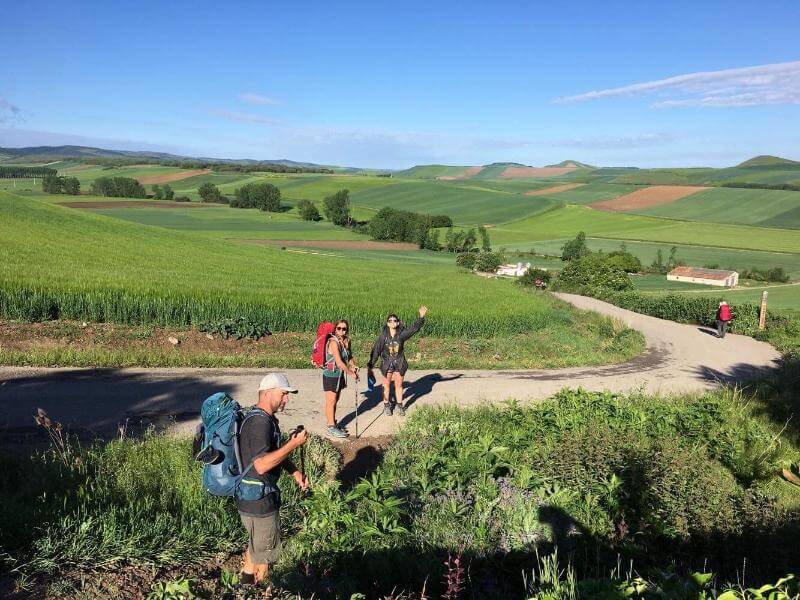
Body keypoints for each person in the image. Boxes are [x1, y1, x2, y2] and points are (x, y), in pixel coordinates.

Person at [237, 372, 308, 586]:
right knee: (265, 560)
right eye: (284, 394)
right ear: (268, 393)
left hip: (249, 496)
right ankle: (254, 590)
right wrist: (293, 445)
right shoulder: (261, 424)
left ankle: (243, 585)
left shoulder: (259, 418)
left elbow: (272, 454)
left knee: (256, 548)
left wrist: (295, 472)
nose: (287, 399)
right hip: (260, 502)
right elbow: (261, 464)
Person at [367, 306, 427, 416]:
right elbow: (376, 350)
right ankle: (386, 405)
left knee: (399, 385)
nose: (393, 322)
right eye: (390, 321)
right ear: (387, 323)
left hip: (399, 363)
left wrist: (421, 317)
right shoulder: (383, 336)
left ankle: (399, 405)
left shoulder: (402, 335)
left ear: (398, 323)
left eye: (395, 320)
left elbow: (414, 329)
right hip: (387, 363)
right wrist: (370, 364)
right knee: (386, 385)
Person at [322, 319, 359, 438]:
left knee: (335, 400)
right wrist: (350, 373)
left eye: (344, 329)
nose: (342, 331)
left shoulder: (347, 340)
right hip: (331, 374)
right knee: (331, 401)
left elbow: (349, 356)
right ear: (335, 329)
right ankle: (331, 427)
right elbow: (339, 363)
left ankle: (332, 423)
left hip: (339, 375)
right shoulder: (333, 342)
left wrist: (353, 365)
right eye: (339, 328)